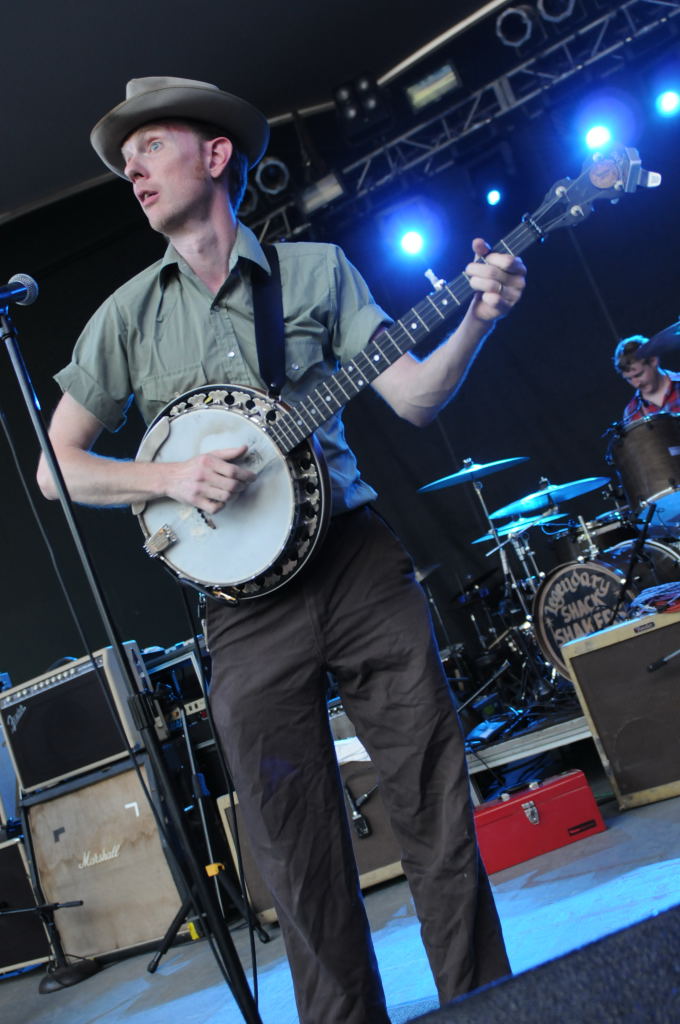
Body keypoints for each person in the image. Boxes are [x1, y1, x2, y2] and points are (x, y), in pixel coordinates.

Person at [37, 76, 527, 1024]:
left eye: (151, 147)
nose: (133, 171)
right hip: (245, 615)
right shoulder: (127, 316)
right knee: (294, 853)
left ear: (216, 154)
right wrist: (170, 478)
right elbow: (59, 469)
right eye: (125, 161)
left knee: (433, 803)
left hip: (356, 566)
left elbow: (415, 397)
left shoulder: (315, 272)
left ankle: (490, 1007)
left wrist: (477, 317)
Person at [613, 334, 680, 423]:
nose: (636, 384)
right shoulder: (631, 412)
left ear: (653, 360)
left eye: (638, 375)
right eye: (629, 379)